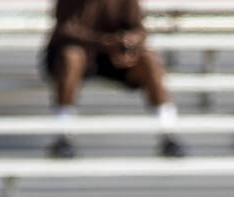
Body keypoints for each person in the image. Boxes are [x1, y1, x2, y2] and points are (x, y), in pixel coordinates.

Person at [42, 0, 185, 159]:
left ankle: (168, 133)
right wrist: (103, 41)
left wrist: (128, 42)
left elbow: (139, 30)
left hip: (112, 57)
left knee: (149, 59)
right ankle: (63, 135)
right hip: (78, 57)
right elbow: (65, 29)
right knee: (71, 57)